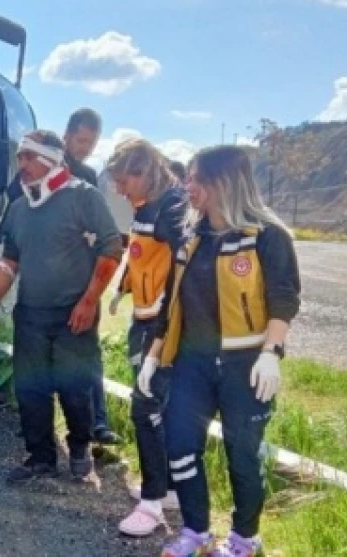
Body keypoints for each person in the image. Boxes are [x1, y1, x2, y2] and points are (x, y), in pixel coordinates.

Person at [138, 145, 301, 557]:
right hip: (192, 363)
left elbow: (284, 299)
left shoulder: (267, 236)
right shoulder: (191, 237)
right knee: (179, 444)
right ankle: (196, 532)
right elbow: (171, 300)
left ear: (222, 183)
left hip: (244, 364)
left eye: (195, 178)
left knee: (242, 452)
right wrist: (155, 354)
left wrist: (271, 352)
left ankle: (245, 540)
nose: (187, 186)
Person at [0, 129, 124, 484]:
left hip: (74, 314)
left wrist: (89, 302)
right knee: (30, 389)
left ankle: (79, 448)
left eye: (29, 157)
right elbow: (9, 261)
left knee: (75, 389)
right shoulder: (19, 208)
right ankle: (40, 457)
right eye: (20, 157)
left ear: (51, 161)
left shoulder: (83, 197)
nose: (22, 164)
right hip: (30, 314)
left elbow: (111, 249)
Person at [102, 139, 189, 537]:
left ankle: (152, 503)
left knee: (145, 407)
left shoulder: (173, 207)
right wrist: (124, 287)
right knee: (157, 405)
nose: (120, 190)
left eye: (124, 181)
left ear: (143, 173)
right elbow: (138, 253)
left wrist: (165, 325)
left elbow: (185, 265)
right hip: (144, 317)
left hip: (162, 325)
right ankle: (167, 487)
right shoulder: (144, 206)